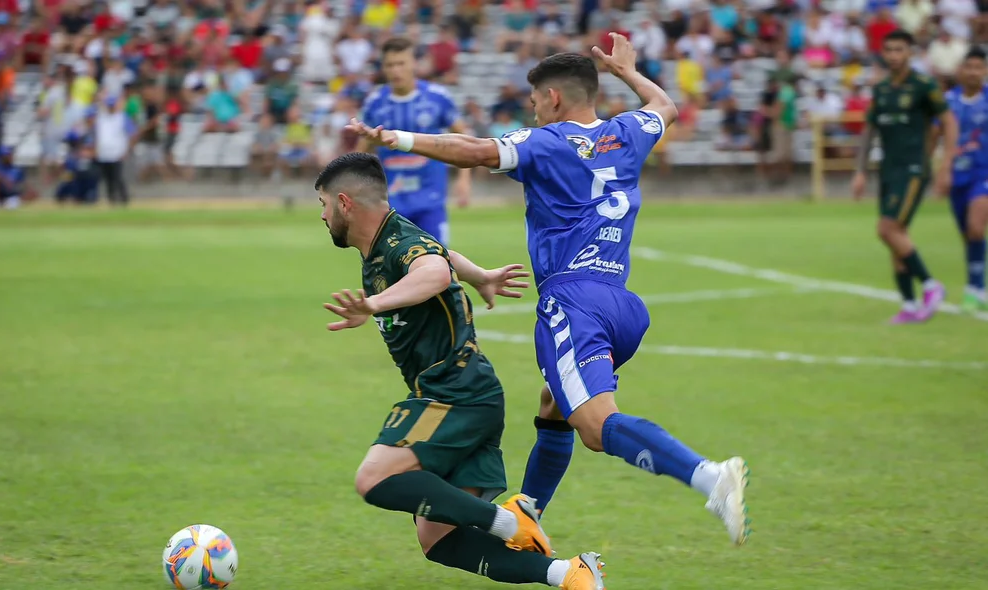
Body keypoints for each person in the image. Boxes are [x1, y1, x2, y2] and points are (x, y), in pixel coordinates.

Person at [346, 33, 751, 546]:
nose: (532, 109)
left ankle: (710, 476)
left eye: (535, 100)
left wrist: (397, 139)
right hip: (621, 303)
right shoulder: (628, 131)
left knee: (597, 427)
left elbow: (470, 151)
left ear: (554, 98)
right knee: (553, 404)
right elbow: (664, 105)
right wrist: (625, 70)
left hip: (572, 301)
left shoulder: (545, 143)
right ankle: (530, 511)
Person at [315, 153, 606, 590]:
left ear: (344, 203)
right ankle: (569, 575)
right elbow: (442, 253)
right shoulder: (388, 241)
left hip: (454, 395)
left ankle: (507, 521)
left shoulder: (396, 243)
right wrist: (479, 275)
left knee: (373, 478)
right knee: (439, 540)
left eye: (322, 204)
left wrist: (373, 305)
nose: (321, 215)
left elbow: (433, 269)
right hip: (473, 395)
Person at [852, 30, 957, 324]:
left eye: (899, 50)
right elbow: (870, 130)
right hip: (888, 169)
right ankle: (909, 306)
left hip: (912, 170)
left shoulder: (923, 86)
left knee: (887, 229)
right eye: (889, 50)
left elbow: (949, 121)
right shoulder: (881, 89)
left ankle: (930, 285)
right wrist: (859, 172)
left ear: (909, 53)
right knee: (897, 237)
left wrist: (946, 163)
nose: (894, 56)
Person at [358, 37, 472, 246]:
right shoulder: (375, 103)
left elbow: (464, 138)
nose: (396, 70)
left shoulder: (438, 98)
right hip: (391, 203)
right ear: (383, 67)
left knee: (439, 264)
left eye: (401, 63)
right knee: (393, 270)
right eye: (390, 65)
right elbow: (361, 151)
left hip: (431, 198)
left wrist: (463, 179)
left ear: (414, 64)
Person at [945, 48, 988, 313]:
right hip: (956, 175)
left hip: (983, 174)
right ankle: (978, 285)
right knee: (968, 235)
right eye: (968, 66)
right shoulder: (948, 101)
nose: (973, 72)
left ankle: (974, 289)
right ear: (961, 70)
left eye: (978, 67)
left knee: (975, 227)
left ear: (984, 71)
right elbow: (935, 134)